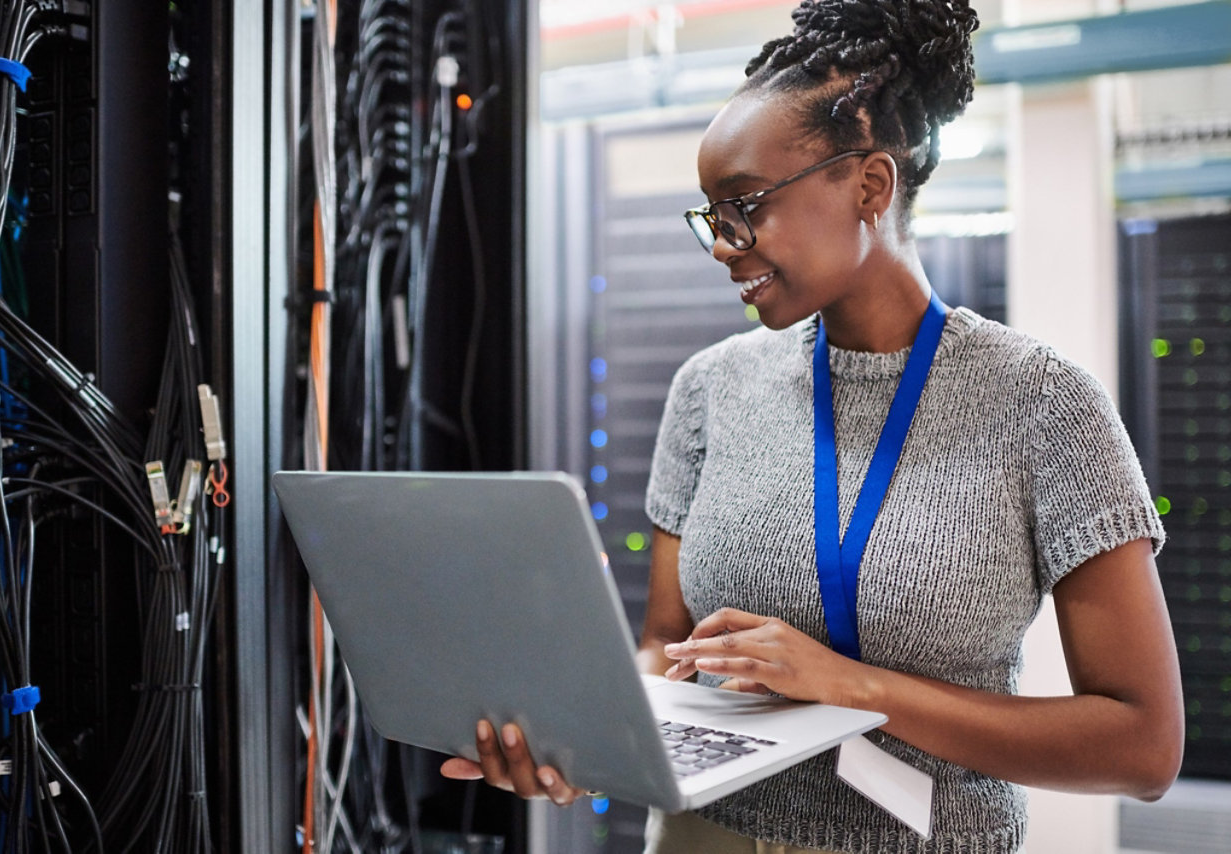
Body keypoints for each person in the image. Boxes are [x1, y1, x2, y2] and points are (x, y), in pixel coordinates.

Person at [442, 1, 1185, 851]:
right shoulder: (709, 391)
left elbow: (1142, 746)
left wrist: (853, 687)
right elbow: (666, 648)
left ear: (870, 186)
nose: (723, 244)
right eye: (711, 217)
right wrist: (582, 740)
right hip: (699, 836)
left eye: (744, 206)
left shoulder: (1043, 403)